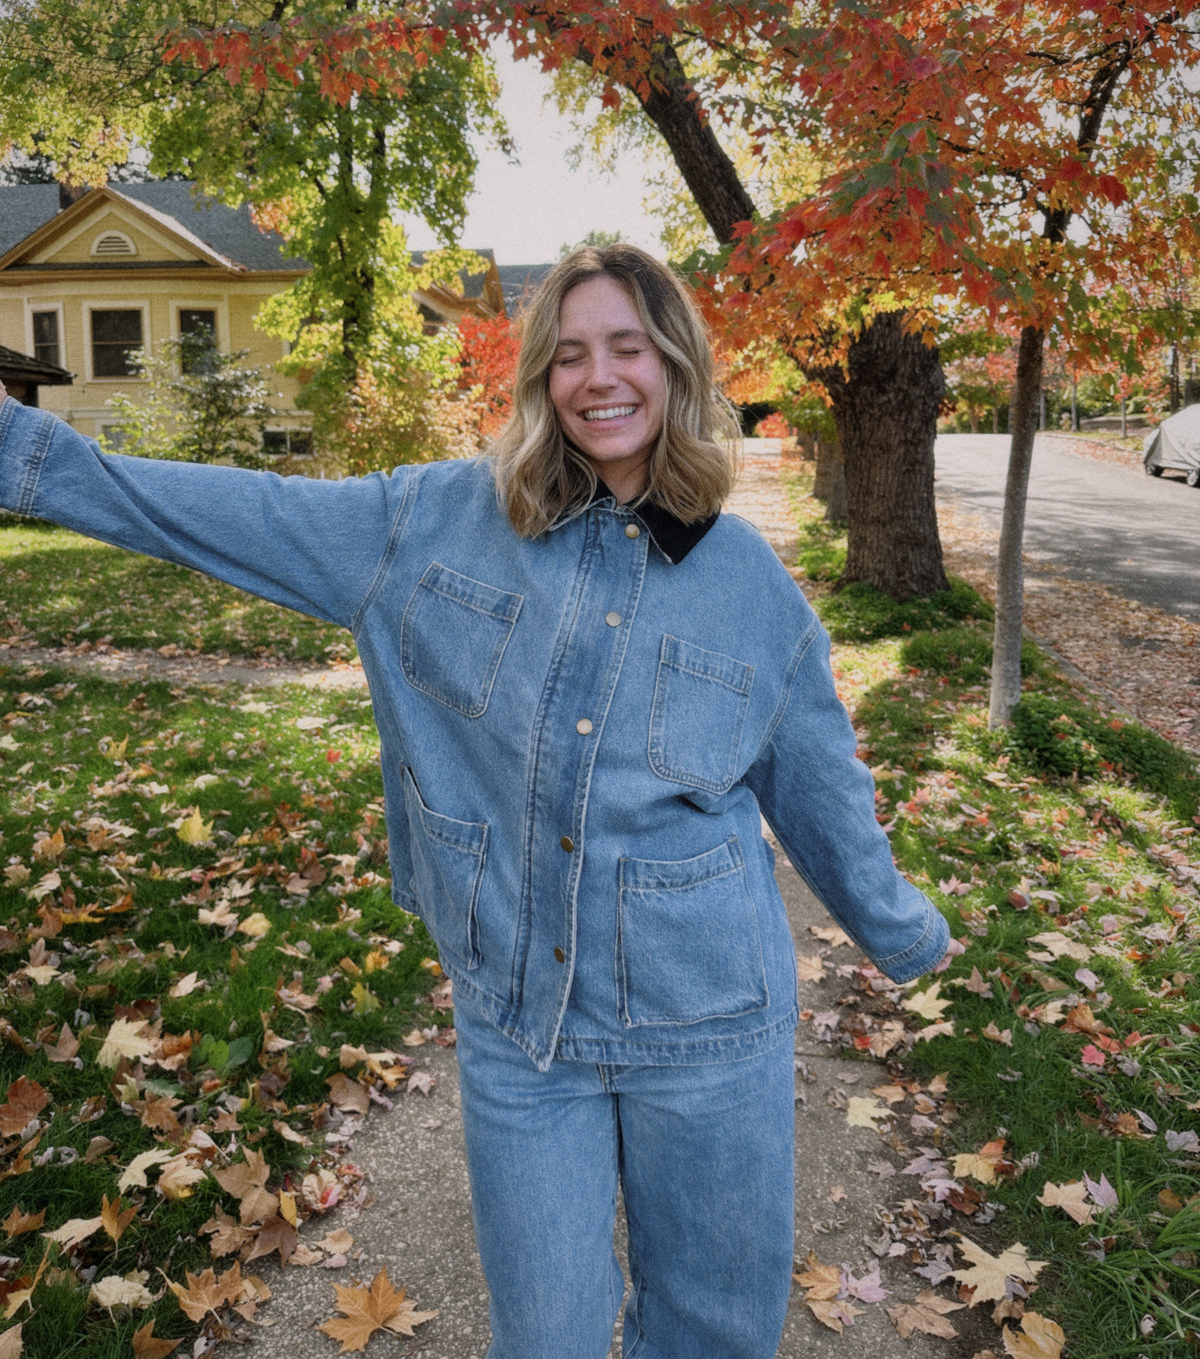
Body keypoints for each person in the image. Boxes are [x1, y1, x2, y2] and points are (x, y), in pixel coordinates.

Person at [0, 244, 951, 1359]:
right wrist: (27, 456)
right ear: (540, 378)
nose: (600, 378)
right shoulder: (428, 522)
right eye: (570, 354)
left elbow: (821, 791)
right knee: (542, 1336)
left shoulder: (754, 591)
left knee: (712, 1333)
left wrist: (902, 930)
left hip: (707, 1028)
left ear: (676, 366)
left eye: (628, 348)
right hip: (520, 1026)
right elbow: (235, 511)